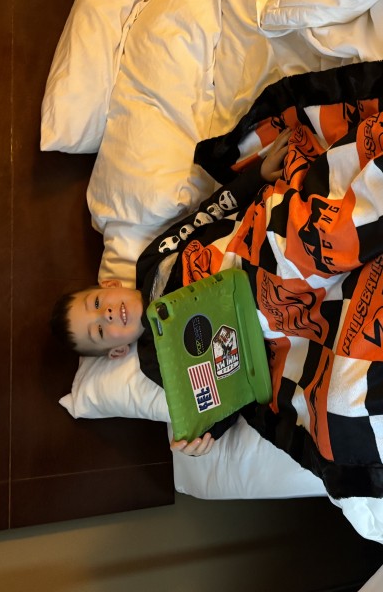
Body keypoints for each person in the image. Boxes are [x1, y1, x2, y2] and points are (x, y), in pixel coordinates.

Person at [51, 131, 290, 457]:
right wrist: (206, 433)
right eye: (100, 331)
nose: (105, 315)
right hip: (262, 314)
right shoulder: (157, 361)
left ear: (110, 286)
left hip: (251, 245)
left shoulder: (151, 262)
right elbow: (219, 391)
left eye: (95, 304)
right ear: (118, 351)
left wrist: (256, 177)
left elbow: (205, 216)